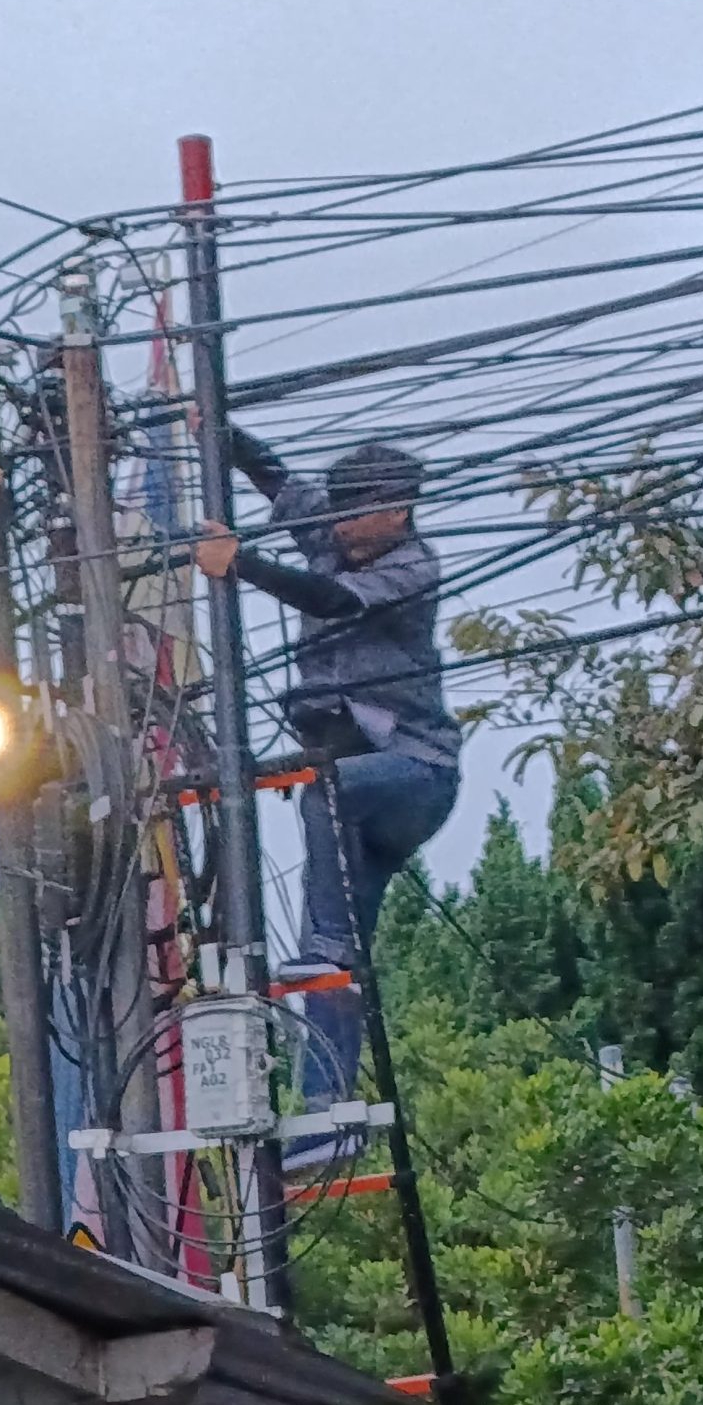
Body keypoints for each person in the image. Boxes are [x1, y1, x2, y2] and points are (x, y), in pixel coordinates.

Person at [195, 430, 460, 1172]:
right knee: (335, 962)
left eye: (355, 514)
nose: (339, 526)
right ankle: (326, 1113)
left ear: (397, 512)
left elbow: (332, 599)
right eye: (336, 512)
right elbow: (279, 481)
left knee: (326, 803)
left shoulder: (412, 567)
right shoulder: (331, 531)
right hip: (355, 796)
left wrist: (241, 563)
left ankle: (326, 948)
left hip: (413, 774)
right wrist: (216, 431)